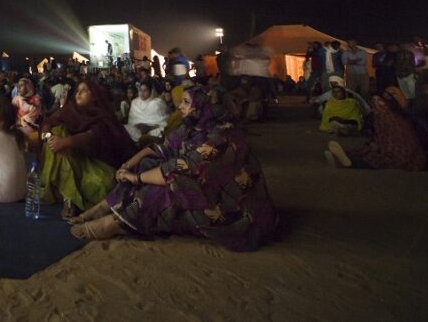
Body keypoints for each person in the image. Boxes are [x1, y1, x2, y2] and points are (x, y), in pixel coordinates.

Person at [68, 87, 276, 251]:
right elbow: (161, 148)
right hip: (205, 189)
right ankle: (103, 208)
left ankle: (112, 224)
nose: (180, 107)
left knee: (165, 189)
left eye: (186, 103)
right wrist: (128, 166)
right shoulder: (194, 126)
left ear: (204, 107)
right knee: (148, 162)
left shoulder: (221, 137)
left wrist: (135, 178)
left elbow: (179, 170)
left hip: (231, 210)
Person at [40, 80, 137, 216]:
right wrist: (46, 135)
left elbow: (93, 135)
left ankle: (66, 194)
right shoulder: (70, 110)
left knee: (105, 184)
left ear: (95, 95)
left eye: (84, 90)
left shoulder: (102, 115)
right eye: (77, 90)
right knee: (57, 131)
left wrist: (66, 142)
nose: (78, 93)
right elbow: (49, 122)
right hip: (71, 158)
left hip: (95, 161)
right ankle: (69, 198)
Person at [325, 87, 425, 171]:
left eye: (381, 102)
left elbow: (387, 143)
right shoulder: (397, 116)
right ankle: (344, 157)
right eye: (375, 102)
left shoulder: (385, 117)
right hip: (410, 156)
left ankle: (347, 163)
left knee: (370, 156)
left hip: (399, 157)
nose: (377, 105)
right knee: (364, 151)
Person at [12, 77, 43, 149]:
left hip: (31, 126)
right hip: (17, 124)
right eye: (18, 85)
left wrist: (21, 121)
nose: (19, 87)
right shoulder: (16, 99)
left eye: (22, 85)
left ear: (28, 87)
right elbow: (12, 113)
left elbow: (35, 117)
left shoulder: (36, 99)